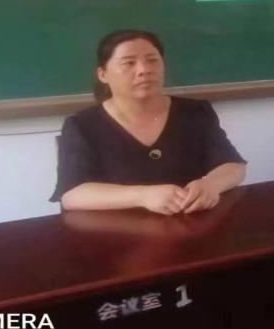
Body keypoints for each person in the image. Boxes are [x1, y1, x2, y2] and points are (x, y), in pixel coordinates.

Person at [51, 30, 246, 214]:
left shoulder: (195, 112)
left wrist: (210, 185)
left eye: (152, 60)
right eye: (129, 63)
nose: (144, 70)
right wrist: (143, 196)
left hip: (189, 223)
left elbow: (232, 165)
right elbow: (73, 194)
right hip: (119, 230)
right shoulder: (82, 125)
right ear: (103, 74)